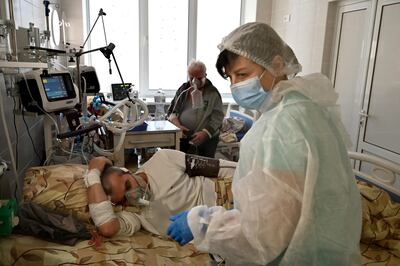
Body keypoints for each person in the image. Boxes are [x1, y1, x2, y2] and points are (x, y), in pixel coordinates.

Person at [167, 22, 362, 265]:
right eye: (231, 77)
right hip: (321, 244)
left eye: (243, 74)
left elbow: (265, 234)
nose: (235, 86)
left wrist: (202, 223)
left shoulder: (283, 125)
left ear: (277, 64)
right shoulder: (304, 107)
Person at [84, 149, 236, 238]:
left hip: (229, 192)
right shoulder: (135, 213)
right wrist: (93, 175)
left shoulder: (163, 160)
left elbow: (217, 167)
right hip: (220, 227)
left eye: (128, 184)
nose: (132, 195)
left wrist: (252, 175)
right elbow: (107, 227)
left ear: (128, 171)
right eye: (124, 199)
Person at [167, 60, 224, 158]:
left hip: (206, 138)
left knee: (204, 166)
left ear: (205, 75)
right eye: (191, 78)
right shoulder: (183, 90)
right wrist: (177, 125)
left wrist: (206, 133)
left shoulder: (212, 93)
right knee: (181, 163)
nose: (195, 82)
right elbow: (172, 112)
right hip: (183, 136)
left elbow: (218, 117)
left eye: (199, 78)